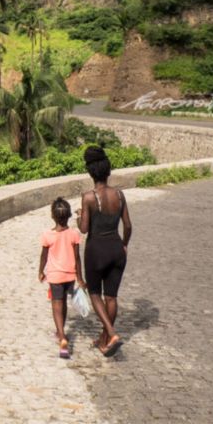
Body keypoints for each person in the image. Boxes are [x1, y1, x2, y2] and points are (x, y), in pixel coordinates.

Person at [77, 145, 132, 357]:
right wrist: (124, 244)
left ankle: (111, 332)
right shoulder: (119, 195)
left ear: (91, 172)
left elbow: (83, 229)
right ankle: (104, 339)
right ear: (107, 170)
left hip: (96, 250)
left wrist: (79, 216)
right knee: (111, 296)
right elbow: (127, 226)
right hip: (117, 248)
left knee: (94, 293)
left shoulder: (89, 197)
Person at [38, 197, 85, 359]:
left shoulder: (47, 235)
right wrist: (80, 278)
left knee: (56, 305)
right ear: (69, 216)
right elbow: (77, 258)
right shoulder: (74, 234)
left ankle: (62, 337)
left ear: (52, 216)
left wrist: (40, 271)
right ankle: (60, 332)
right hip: (69, 275)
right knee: (63, 302)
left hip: (55, 276)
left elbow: (43, 257)